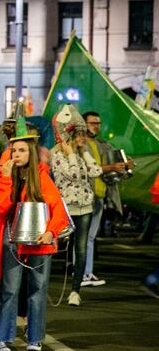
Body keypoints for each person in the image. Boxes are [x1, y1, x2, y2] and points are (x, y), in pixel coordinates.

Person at [0, 124, 68, 351]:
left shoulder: (42, 178)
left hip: (40, 243)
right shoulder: (6, 176)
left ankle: (35, 337)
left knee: (38, 290)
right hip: (12, 239)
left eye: (22, 150)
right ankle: (1, 337)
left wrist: (51, 232)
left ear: (31, 152)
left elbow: (59, 210)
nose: (17, 155)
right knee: (9, 289)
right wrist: (4, 181)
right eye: (14, 151)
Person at [51, 106, 102, 307]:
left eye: (83, 134)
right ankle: (38, 283)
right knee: (54, 247)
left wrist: (85, 155)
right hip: (66, 208)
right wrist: (71, 153)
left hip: (85, 208)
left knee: (80, 249)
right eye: (79, 134)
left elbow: (96, 172)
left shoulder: (82, 154)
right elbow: (71, 175)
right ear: (70, 135)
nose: (83, 138)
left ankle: (75, 291)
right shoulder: (58, 156)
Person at [83, 111, 132, 285]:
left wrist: (125, 164)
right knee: (82, 237)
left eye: (98, 123)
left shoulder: (102, 144)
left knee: (89, 237)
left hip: (100, 194)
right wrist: (111, 166)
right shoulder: (79, 145)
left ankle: (86, 272)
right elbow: (88, 168)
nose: (96, 126)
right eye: (92, 123)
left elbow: (116, 161)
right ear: (83, 124)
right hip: (84, 196)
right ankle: (81, 273)